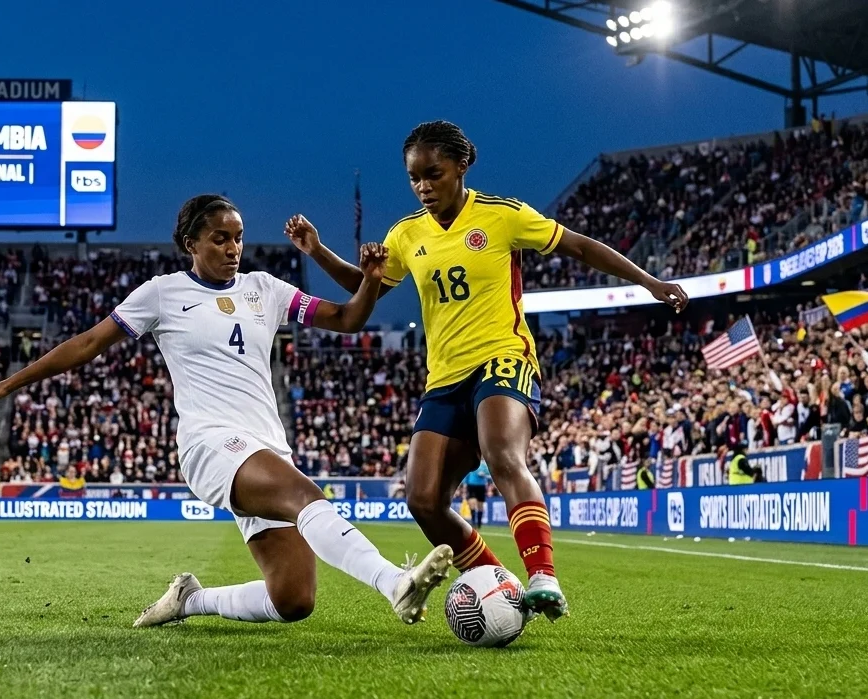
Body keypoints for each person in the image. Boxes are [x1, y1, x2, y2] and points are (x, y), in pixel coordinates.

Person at [0, 194, 454, 629]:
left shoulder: (266, 288)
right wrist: (9, 384)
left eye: (238, 238)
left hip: (267, 447)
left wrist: (367, 281)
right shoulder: (161, 293)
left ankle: (190, 600)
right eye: (219, 238)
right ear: (190, 243)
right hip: (210, 444)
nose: (232, 248)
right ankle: (395, 583)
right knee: (304, 494)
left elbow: (348, 319)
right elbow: (89, 343)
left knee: (293, 599)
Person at [286, 121, 689, 621]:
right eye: (415, 178)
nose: (424, 186)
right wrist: (319, 251)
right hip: (444, 377)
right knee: (423, 500)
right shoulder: (407, 234)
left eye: (433, 174)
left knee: (502, 455)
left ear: (461, 166)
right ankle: (498, 586)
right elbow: (364, 288)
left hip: (503, 357)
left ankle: (543, 575)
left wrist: (648, 281)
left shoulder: (503, 216)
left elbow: (580, 247)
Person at [463, 461, 490, 530]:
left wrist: (484, 475)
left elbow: (489, 475)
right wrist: (465, 487)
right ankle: (473, 522)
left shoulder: (484, 465)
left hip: (481, 486)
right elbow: (466, 475)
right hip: (471, 485)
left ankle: (479, 523)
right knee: (472, 503)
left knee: (480, 505)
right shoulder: (471, 464)